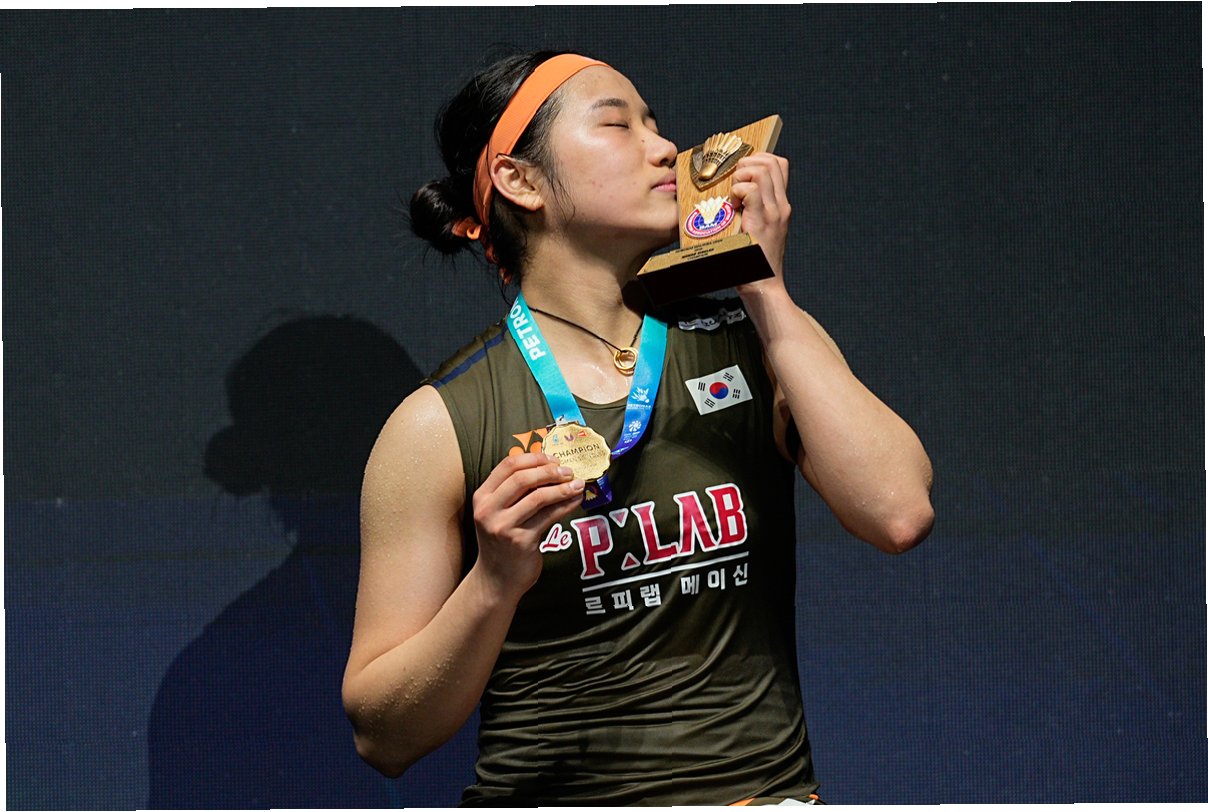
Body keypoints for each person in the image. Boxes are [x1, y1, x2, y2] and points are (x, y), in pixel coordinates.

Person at [342, 50, 934, 806]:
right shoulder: (437, 425)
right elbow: (384, 738)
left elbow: (898, 511)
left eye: (655, 124)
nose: (666, 149)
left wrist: (762, 286)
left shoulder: (753, 340)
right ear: (521, 181)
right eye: (618, 125)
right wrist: (492, 583)